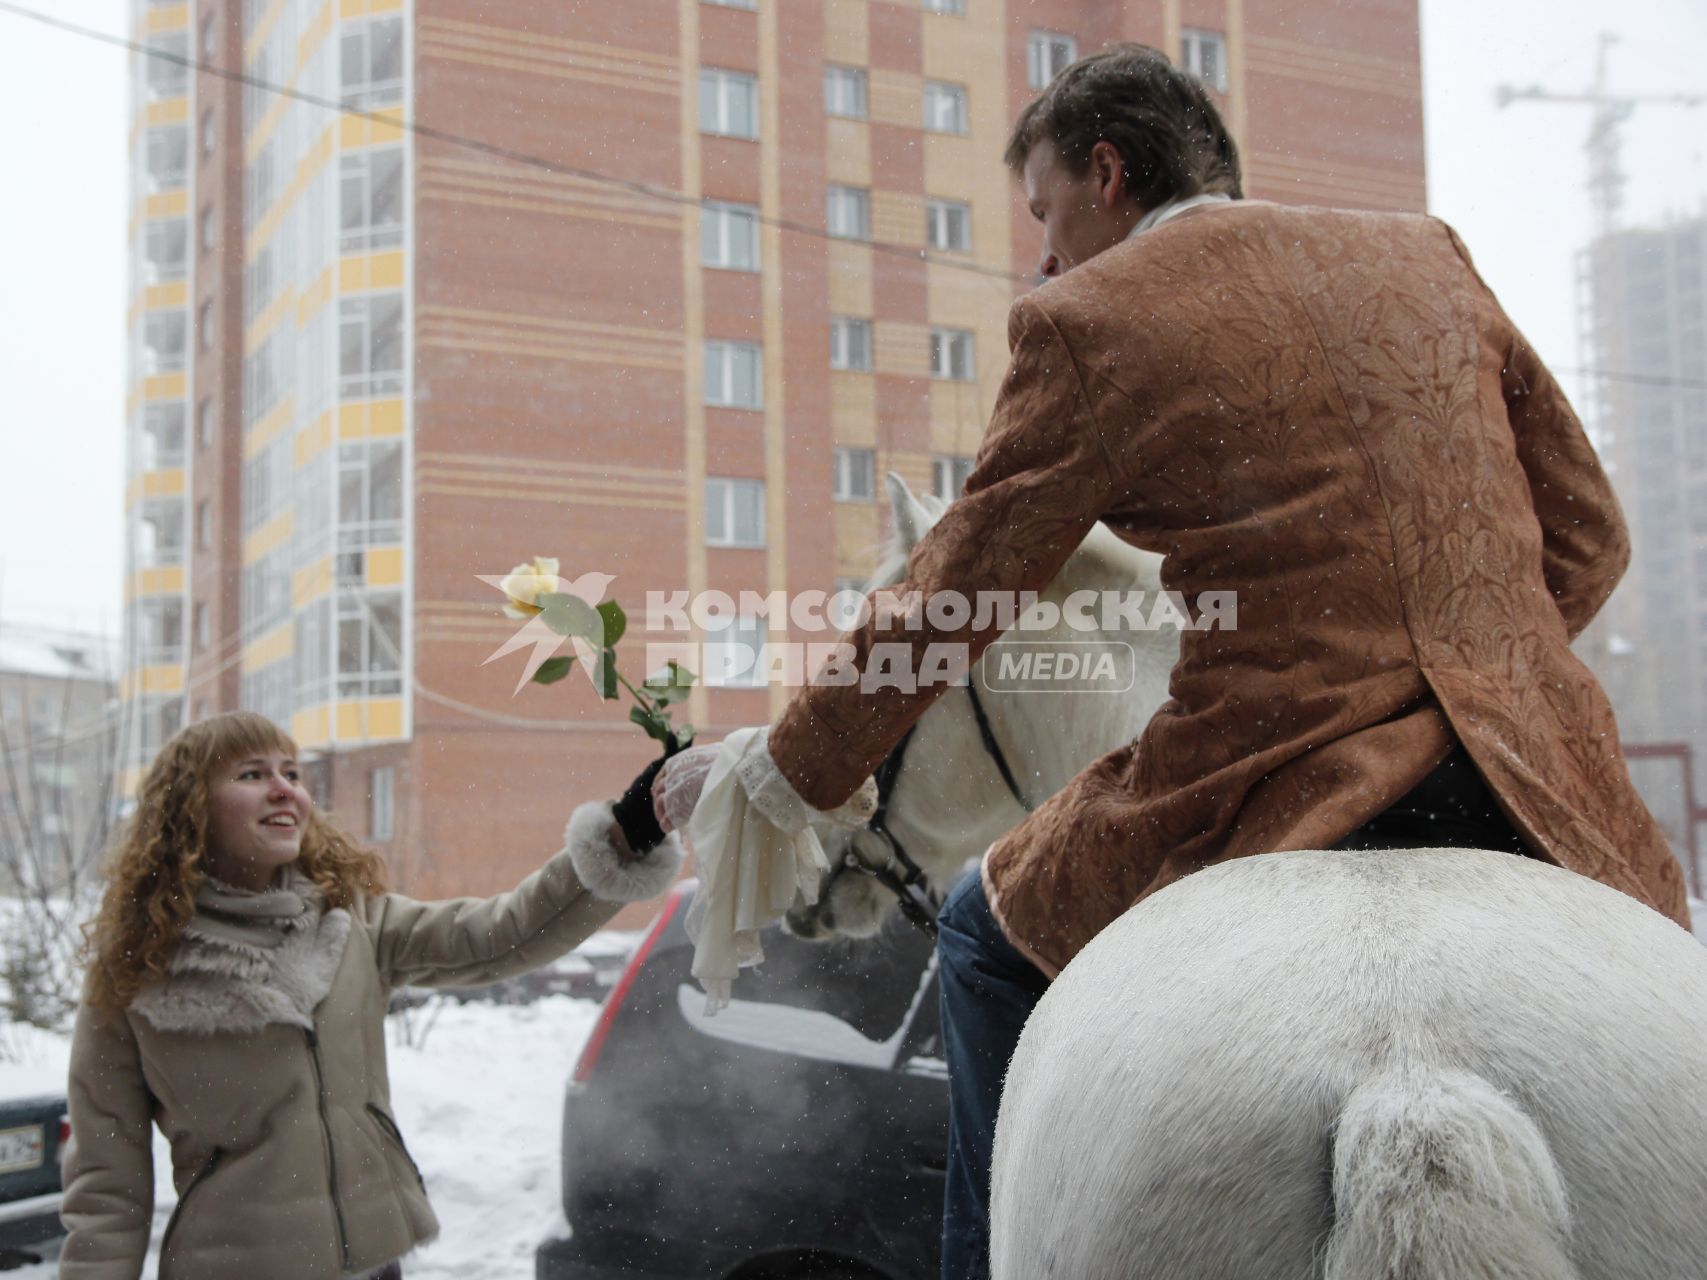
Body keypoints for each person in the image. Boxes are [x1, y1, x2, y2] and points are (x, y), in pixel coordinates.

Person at [653, 43, 1694, 1280]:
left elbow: (953, 597)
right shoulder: (1430, 253)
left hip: (1270, 764)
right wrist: (1477, 662)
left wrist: (776, 771)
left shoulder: (1088, 320)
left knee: (984, 934)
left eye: (1045, 210)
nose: (1043, 253)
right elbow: (1591, 535)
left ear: (1107, 172)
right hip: (1528, 764)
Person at [61, 710, 682, 1280]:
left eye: (293, 773)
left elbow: (502, 935)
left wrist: (625, 836)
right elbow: (106, 1190)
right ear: (189, 809)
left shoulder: (350, 922)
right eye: (253, 774)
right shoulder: (137, 969)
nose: (285, 789)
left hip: (374, 1266)